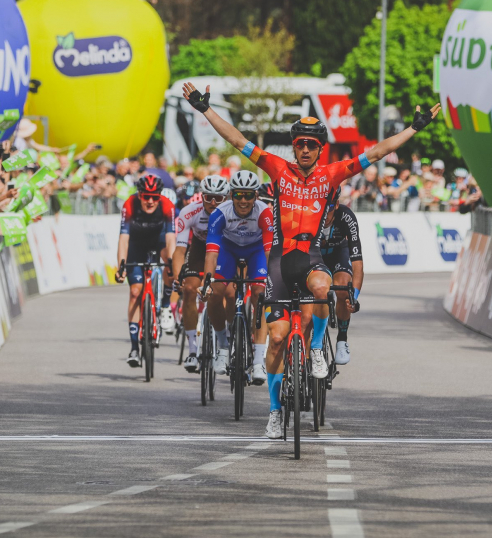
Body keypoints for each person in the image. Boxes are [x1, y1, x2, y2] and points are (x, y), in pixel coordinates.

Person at [181, 80, 440, 439]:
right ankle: (274, 413)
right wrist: (204, 108)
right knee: (276, 338)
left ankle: (317, 347)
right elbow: (238, 140)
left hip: (311, 255)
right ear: (294, 146)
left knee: (323, 288)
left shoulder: (331, 174)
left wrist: (414, 127)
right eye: (299, 143)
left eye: (311, 145)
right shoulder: (277, 168)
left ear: (320, 148)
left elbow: (378, 152)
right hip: (279, 262)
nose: (304, 149)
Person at [203, 170, 273, 383]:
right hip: (229, 249)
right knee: (215, 292)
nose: (243, 200)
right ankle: (223, 346)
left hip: (256, 251)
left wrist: (273, 280)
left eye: (249, 195)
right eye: (239, 195)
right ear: (231, 194)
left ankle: (259, 359)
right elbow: (212, 253)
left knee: (261, 293)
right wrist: (207, 280)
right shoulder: (219, 213)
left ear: (256, 196)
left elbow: (270, 253)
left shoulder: (264, 213)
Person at [114, 175, 177, 367]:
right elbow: (123, 239)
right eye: (146, 196)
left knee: (170, 261)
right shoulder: (129, 205)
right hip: (137, 243)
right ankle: (134, 348)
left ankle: (165, 305)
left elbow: (171, 239)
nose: (150, 201)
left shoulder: (167, 205)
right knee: (135, 292)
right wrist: (121, 267)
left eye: (154, 197)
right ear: (139, 195)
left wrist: (173, 265)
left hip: (158, 240)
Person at [173, 175, 230, 372]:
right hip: (199, 249)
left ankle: (227, 335)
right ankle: (192, 349)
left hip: (224, 250)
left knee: (225, 293)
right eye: (208, 197)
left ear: (226, 198)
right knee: (188, 289)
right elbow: (180, 251)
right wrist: (177, 277)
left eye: (218, 198)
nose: (213, 203)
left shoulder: (232, 211)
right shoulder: (190, 212)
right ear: (202, 196)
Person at [320, 188, 363, 364]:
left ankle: (342, 339)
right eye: (319, 207)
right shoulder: (308, 214)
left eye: (328, 208)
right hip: (316, 255)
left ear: (336, 204)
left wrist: (354, 297)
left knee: (344, 289)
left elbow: (357, 262)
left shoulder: (346, 217)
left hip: (339, 253)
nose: (323, 214)